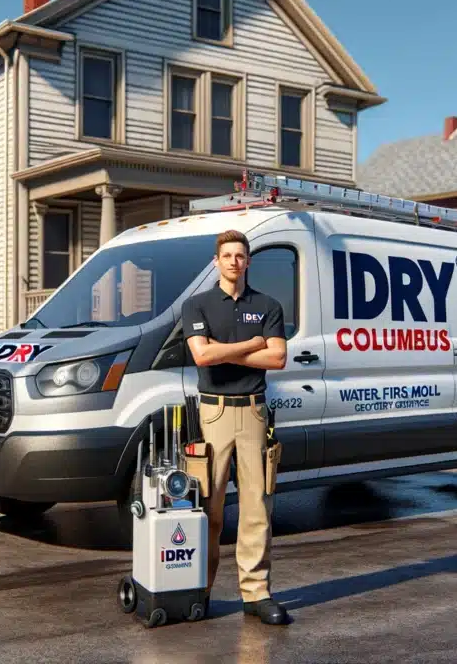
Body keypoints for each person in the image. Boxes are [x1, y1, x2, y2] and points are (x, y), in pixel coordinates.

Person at [181, 229, 289, 625]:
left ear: (248, 261)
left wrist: (226, 353)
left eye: (240, 255)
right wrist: (250, 346)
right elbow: (202, 355)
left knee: (257, 507)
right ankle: (200, 591)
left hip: (254, 414)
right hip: (213, 415)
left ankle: (256, 593)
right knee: (208, 508)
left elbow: (277, 359)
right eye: (227, 255)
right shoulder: (197, 305)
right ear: (216, 261)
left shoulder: (268, 305)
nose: (233, 261)